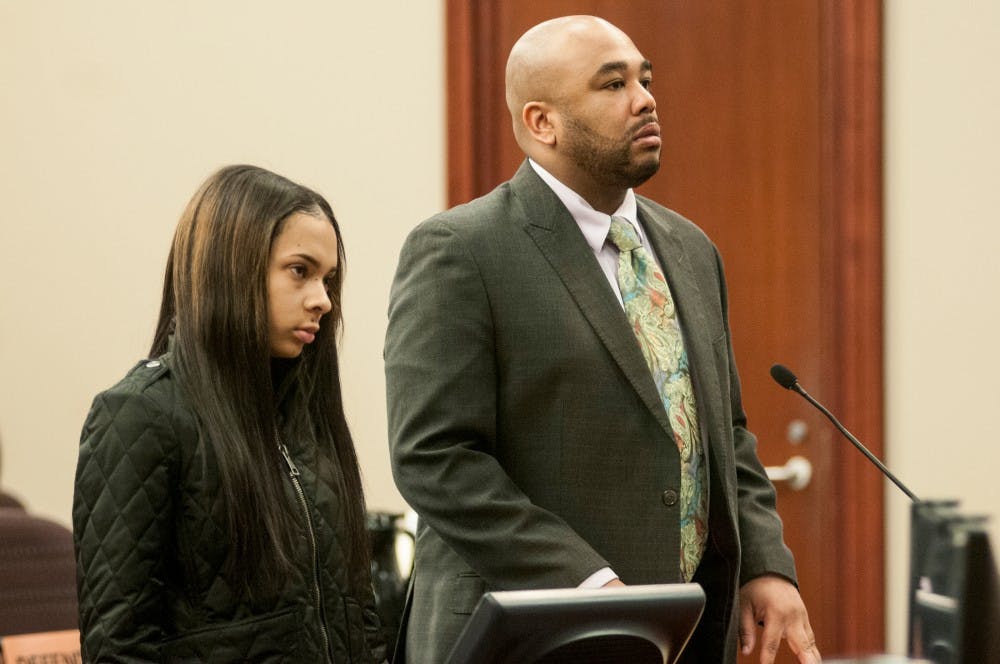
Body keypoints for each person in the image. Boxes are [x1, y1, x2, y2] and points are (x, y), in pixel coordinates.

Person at [385, 15, 819, 664]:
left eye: (645, 78)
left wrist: (767, 564)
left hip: (683, 633)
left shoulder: (690, 250)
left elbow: (725, 433)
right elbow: (435, 456)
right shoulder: (461, 251)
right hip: (529, 634)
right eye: (612, 84)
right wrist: (586, 583)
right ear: (541, 123)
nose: (645, 99)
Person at [73, 165, 386, 663]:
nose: (323, 300)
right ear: (231, 268)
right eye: (300, 271)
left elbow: (358, 616)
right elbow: (117, 646)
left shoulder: (308, 415)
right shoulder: (139, 414)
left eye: (328, 279)